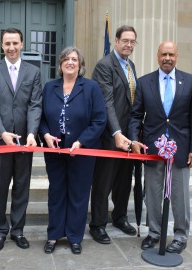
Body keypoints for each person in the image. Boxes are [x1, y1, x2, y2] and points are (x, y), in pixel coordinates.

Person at [39, 47, 107, 255]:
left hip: (83, 152)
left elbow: (99, 120)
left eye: (74, 59)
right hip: (55, 152)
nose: (70, 62)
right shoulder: (49, 87)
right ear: (60, 64)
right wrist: (45, 135)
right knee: (57, 192)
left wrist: (82, 142)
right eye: (66, 59)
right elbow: (41, 118)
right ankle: (54, 234)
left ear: (80, 64)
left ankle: (75, 237)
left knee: (79, 194)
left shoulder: (91, 87)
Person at [0, 28, 42, 252]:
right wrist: (1, 132)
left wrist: (32, 133)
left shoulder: (33, 72)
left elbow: (35, 104)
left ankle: (18, 230)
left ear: (22, 44)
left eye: (15, 43)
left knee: (22, 188)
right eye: (7, 43)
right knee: (0, 188)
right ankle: (0, 231)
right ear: (2, 45)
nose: (11, 47)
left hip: (25, 142)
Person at [129, 41, 192, 254]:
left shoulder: (189, 81)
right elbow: (136, 116)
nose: (167, 58)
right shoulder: (145, 82)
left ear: (177, 56)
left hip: (181, 149)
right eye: (164, 54)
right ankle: (154, 233)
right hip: (153, 149)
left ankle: (181, 235)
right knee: (153, 194)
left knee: (180, 195)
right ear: (157, 56)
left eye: (171, 54)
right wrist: (134, 140)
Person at [89, 25, 143, 244]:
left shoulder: (131, 66)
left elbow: (132, 104)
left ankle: (120, 217)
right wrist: (117, 133)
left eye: (133, 42)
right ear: (116, 41)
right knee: (104, 182)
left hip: (129, 136)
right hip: (109, 136)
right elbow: (107, 103)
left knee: (123, 180)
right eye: (125, 41)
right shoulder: (105, 66)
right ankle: (98, 225)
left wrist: (132, 135)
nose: (129, 45)